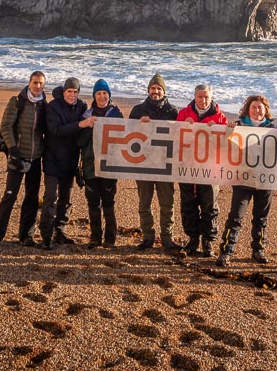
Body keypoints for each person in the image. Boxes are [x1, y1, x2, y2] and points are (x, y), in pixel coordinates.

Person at [0, 71, 48, 248]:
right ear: (29, 83)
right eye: (35, 82)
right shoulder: (17, 101)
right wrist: (13, 150)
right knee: (10, 195)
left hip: (35, 157)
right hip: (17, 155)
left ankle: (26, 236)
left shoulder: (44, 105)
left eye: (41, 83)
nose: (38, 86)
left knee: (31, 198)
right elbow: (5, 126)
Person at [217, 94, 277, 267]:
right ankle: (226, 251)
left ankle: (258, 250)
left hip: (265, 180)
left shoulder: (273, 129)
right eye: (253, 107)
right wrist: (229, 131)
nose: (257, 110)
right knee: (236, 216)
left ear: (266, 110)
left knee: (261, 218)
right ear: (247, 109)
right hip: (243, 179)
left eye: (260, 107)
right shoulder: (238, 126)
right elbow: (224, 145)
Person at [41, 77, 94, 250]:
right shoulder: (53, 107)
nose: (72, 95)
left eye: (75, 92)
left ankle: (60, 231)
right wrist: (80, 124)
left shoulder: (82, 106)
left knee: (66, 198)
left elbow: (88, 124)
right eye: (69, 91)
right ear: (63, 92)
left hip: (71, 160)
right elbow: (55, 130)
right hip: (52, 159)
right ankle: (46, 236)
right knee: (51, 198)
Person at [129, 73, 180, 251]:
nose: (155, 91)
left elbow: (180, 137)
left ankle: (167, 237)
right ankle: (148, 237)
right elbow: (126, 135)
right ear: (148, 90)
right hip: (143, 164)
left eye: (159, 88)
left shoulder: (173, 111)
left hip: (165, 164)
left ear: (164, 91)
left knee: (167, 204)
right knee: (145, 203)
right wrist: (137, 124)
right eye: (153, 88)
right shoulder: (137, 110)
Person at [175, 83, 227, 257]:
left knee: (210, 205)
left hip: (210, 169)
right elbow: (172, 135)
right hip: (187, 167)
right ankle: (193, 239)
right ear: (194, 97)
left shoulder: (220, 117)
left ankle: (208, 240)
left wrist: (223, 130)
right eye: (200, 96)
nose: (203, 100)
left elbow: (229, 142)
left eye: (206, 97)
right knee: (188, 204)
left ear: (211, 98)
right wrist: (183, 125)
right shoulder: (183, 114)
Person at [77, 78, 123, 249]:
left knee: (109, 203)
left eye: (105, 93)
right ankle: (95, 237)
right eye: (98, 93)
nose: (102, 96)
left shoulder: (116, 114)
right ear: (94, 96)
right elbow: (79, 141)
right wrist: (87, 127)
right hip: (90, 165)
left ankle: (110, 239)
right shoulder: (87, 115)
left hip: (110, 166)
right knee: (93, 203)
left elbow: (123, 140)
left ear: (109, 95)